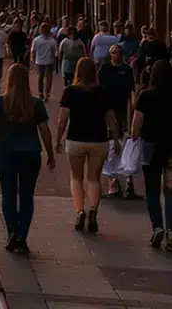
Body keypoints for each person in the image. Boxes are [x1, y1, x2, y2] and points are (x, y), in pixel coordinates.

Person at [0, 62, 56, 255]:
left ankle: (12, 231)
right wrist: (50, 153)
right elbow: (44, 131)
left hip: (6, 152)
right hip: (30, 153)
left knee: (8, 195)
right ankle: (22, 236)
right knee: (26, 196)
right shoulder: (36, 104)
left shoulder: (1, 102)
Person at [132, 59, 172, 253]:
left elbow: (136, 124)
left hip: (151, 145)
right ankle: (171, 232)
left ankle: (157, 226)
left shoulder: (145, 96)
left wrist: (134, 137)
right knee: (171, 191)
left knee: (152, 189)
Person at [55, 57, 117, 234]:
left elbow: (62, 120)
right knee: (94, 178)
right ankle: (93, 210)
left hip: (75, 139)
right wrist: (116, 139)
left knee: (76, 177)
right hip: (99, 140)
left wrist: (57, 139)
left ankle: (79, 211)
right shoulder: (102, 92)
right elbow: (111, 120)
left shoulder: (70, 92)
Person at [98, 43, 138, 199]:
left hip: (123, 110)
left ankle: (128, 181)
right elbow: (100, 88)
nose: (118, 54)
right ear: (110, 54)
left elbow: (132, 89)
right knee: (112, 144)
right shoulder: (105, 68)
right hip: (108, 109)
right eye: (115, 52)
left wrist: (134, 107)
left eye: (120, 52)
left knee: (125, 142)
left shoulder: (127, 69)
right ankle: (113, 181)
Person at [32, 23, 58, 100]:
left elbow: (33, 51)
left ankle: (40, 92)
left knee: (40, 77)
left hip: (39, 61)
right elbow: (55, 51)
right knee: (48, 78)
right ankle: (47, 93)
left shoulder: (36, 40)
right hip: (49, 62)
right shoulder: (52, 40)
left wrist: (33, 61)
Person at [57, 27, 87, 94]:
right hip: (67, 62)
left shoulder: (79, 41)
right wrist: (60, 61)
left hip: (77, 62)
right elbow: (60, 53)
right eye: (71, 33)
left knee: (75, 78)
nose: (72, 35)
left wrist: (84, 60)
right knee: (67, 78)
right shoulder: (64, 41)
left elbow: (84, 52)